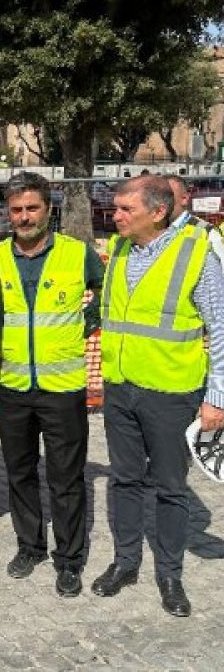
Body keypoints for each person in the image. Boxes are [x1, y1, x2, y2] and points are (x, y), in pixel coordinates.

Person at [91, 175, 224, 617]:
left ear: (158, 211)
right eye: (116, 207)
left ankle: (170, 574)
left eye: (126, 209)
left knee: (170, 488)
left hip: (172, 393)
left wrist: (217, 397)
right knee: (125, 480)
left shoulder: (195, 253)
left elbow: (221, 328)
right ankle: (126, 562)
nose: (116, 215)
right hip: (120, 387)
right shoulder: (120, 249)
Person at [0, 172, 103, 597]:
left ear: (48, 209)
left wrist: (86, 325)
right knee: (19, 473)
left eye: (32, 208)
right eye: (17, 209)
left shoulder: (77, 253)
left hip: (64, 388)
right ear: (9, 213)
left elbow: (106, 291)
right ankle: (29, 547)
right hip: (13, 386)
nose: (24, 217)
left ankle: (69, 560)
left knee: (66, 479)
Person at [165, 174, 224, 259]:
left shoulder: (208, 234)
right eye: (156, 196)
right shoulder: (151, 230)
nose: (159, 201)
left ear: (184, 198)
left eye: (166, 196)